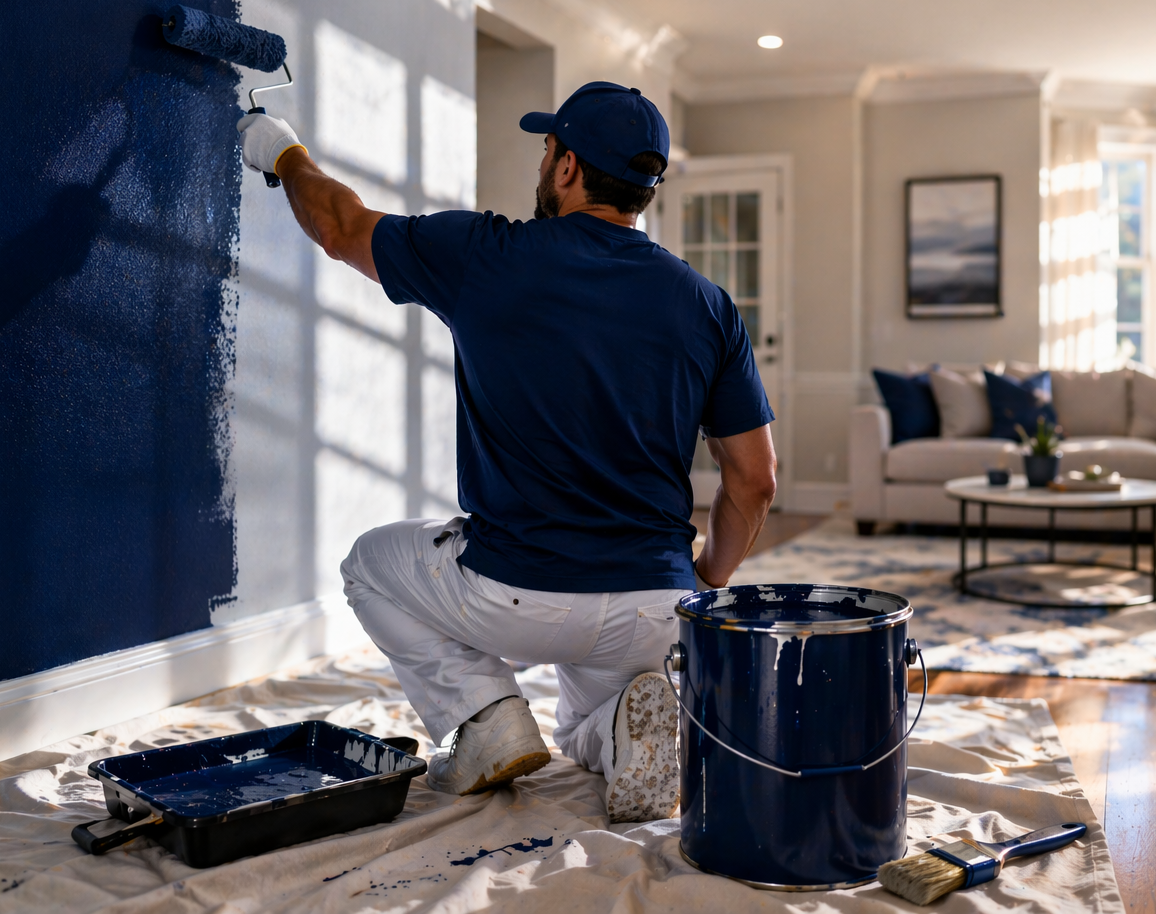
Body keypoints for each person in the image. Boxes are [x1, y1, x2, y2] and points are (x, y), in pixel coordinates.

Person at [236, 81, 777, 822]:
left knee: (371, 564)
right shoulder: (707, 304)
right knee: (594, 713)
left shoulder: (485, 254)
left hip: (517, 595)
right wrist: (701, 578)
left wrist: (281, 150)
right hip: (655, 601)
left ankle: (487, 717)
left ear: (567, 167)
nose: (546, 158)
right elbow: (754, 482)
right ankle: (627, 739)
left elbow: (340, 226)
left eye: (549, 145)